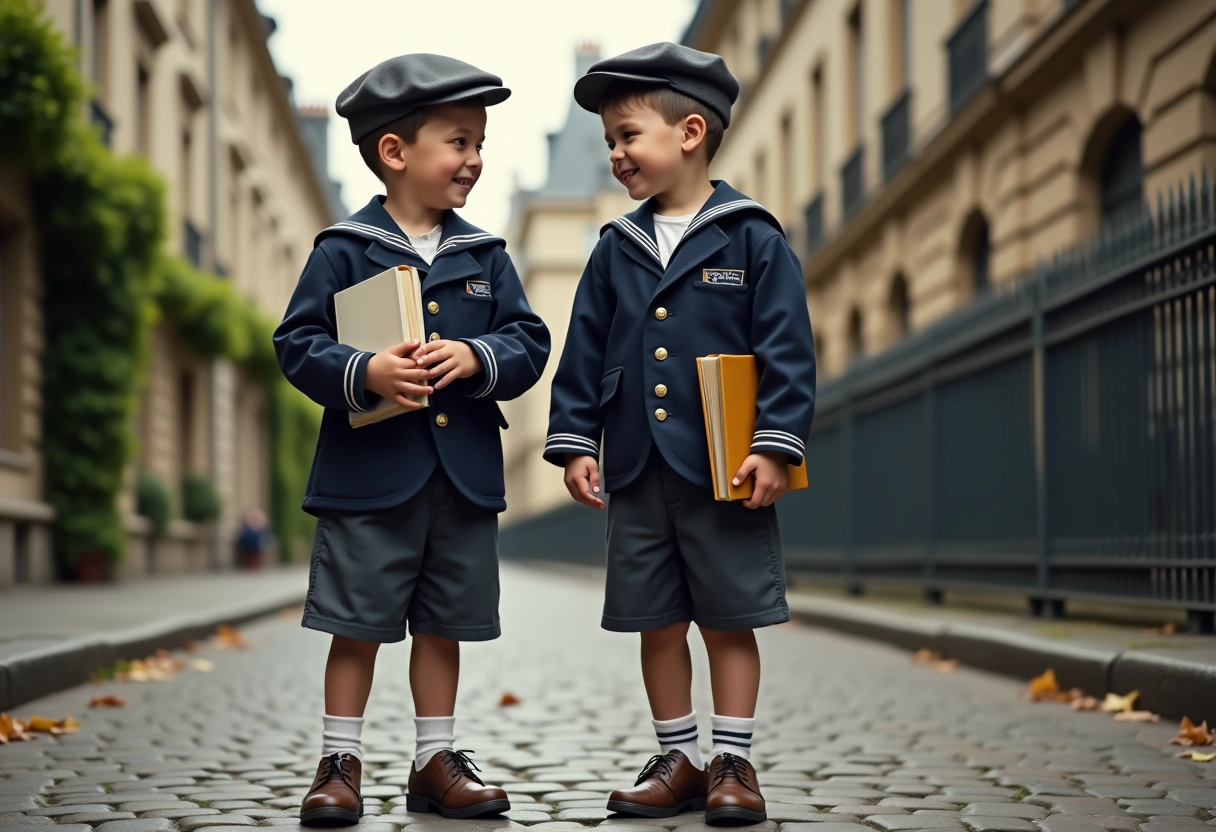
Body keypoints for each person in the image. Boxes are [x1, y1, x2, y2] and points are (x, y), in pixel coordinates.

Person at [273, 53, 550, 825]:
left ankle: (435, 759)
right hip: (367, 477)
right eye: (458, 142)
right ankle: (338, 761)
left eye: (479, 142)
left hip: (459, 479)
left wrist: (476, 355)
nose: (474, 158)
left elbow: (529, 341)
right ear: (395, 153)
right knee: (355, 623)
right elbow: (296, 343)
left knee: (443, 621)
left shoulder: (486, 256)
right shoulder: (343, 248)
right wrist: (364, 371)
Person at [544, 42, 816, 826]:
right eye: (609, 143)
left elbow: (788, 352)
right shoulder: (611, 249)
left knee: (730, 619)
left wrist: (776, 441)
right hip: (635, 467)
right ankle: (678, 758)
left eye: (628, 135)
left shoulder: (753, 238)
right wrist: (572, 441)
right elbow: (583, 352)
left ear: (691, 131)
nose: (617, 154)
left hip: (727, 466)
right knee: (655, 619)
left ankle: (733, 761)